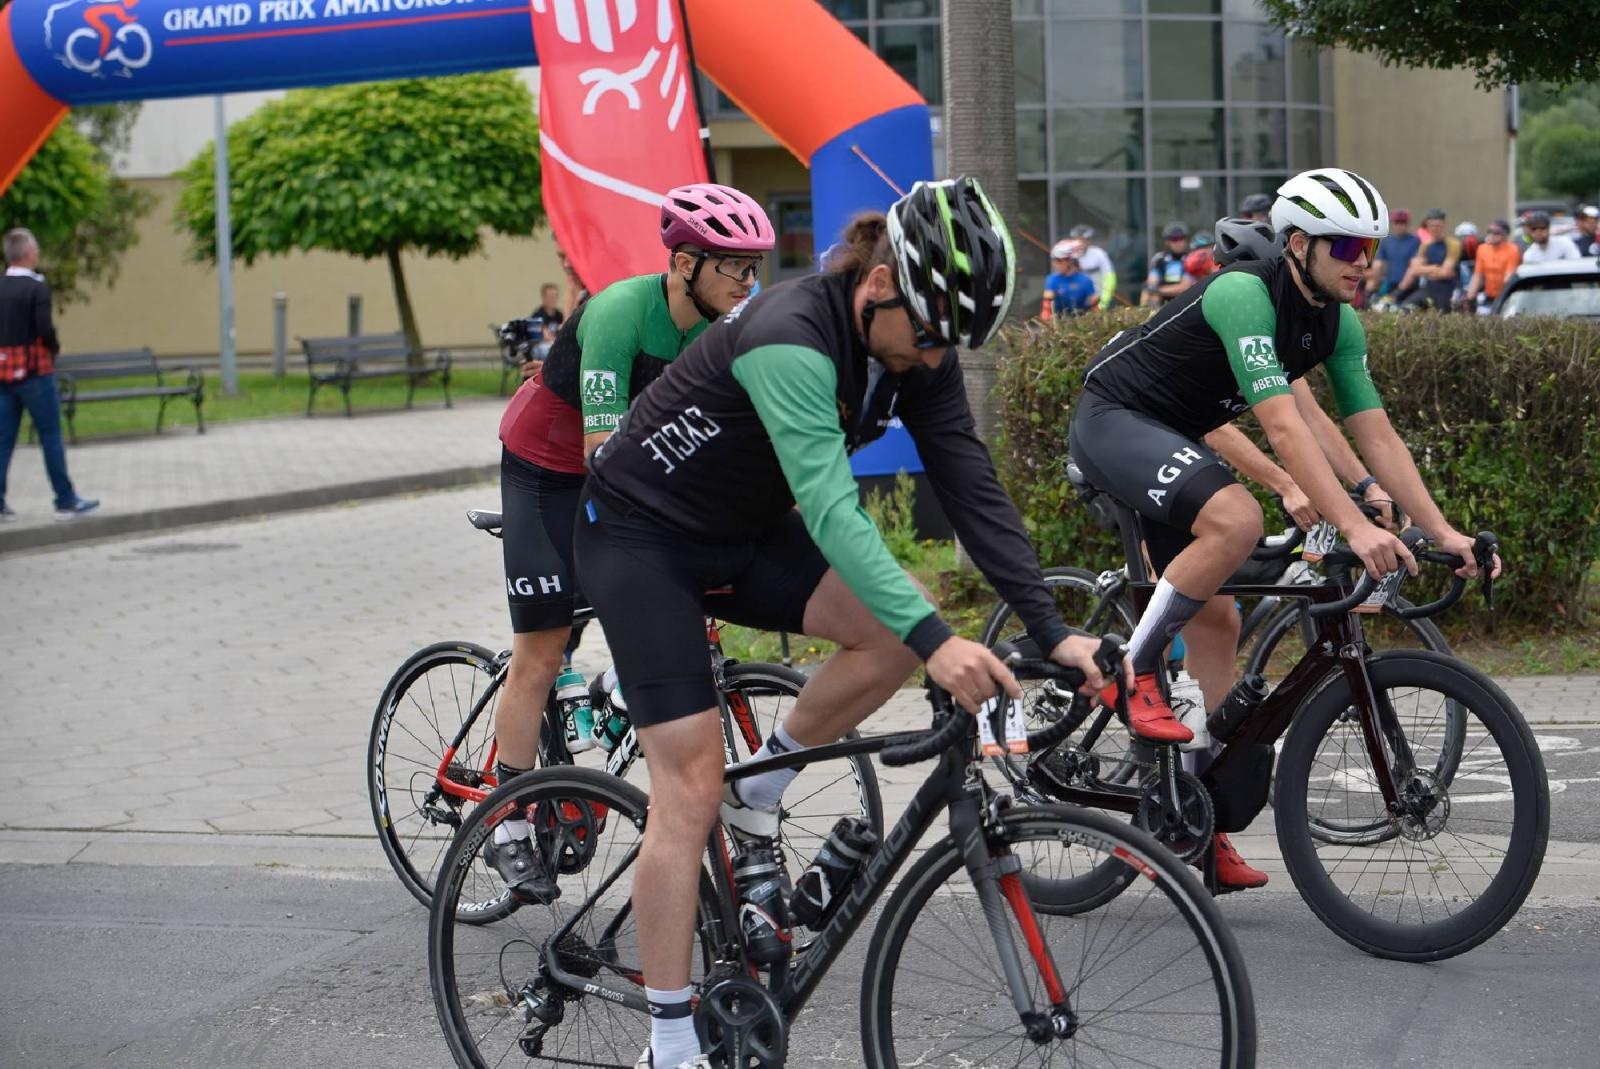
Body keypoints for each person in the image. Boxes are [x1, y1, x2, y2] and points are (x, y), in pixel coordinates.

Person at [575, 177, 1117, 1069]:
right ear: (878, 286)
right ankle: (670, 1041)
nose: (938, 354)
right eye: (932, 331)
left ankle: (761, 787)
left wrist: (1052, 628)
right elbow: (832, 511)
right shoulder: (791, 336)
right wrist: (944, 647)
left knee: (891, 633)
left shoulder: (914, 350)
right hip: (639, 540)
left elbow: (972, 490)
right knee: (686, 790)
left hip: (734, 533)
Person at [1070, 171, 1497, 888]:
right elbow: (1279, 428)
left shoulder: (1338, 319)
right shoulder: (1244, 292)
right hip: (1117, 420)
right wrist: (1355, 526)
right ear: (1297, 244)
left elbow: (1374, 435)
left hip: (1177, 435)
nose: (1364, 261)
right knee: (1238, 516)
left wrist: (1443, 529)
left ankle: (1188, 822)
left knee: (1217, 625)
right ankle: (1131, 667)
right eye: (1346, 247)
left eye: (1371, 247)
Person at [486, 183, 774, 904]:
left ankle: (617, 681)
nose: (748, 281)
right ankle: (507, 823)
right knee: (545, 649)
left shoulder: (719, 327)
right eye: (734, 266)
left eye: (753, 267)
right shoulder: (618, 311)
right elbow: (603, 450)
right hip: (546, 471)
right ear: (684, 262)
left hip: (618, 471)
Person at [0, 228, 97, 522]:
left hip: (3, 373)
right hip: (34, 372)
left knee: (3, 439)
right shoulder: (37, 288)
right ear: (29, 254)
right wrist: (55, 347)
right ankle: (65, 500)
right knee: (51, 436)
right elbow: (44, 326)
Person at [1394, 208, 1459, 311]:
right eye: (1432, 226)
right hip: (1428, 288)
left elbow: (1445, 272)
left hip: (1446, 290)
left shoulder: (1453, 244)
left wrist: (1424, 270)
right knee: (1404, 309)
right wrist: (1434, 268)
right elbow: (1414, 269)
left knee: (1440, 317)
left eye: (1438, 226)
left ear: (1444, 225)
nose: (1434, 229)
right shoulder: (1425, 245)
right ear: (1427, 226)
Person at [1463, 219, 1521, 310]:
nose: (1492, 235)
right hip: (1488, 296)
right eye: (1489, 232)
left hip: (1506, 296)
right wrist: (1469, 297)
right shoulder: (1482, 249)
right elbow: (1478, 275)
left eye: (1496, 233)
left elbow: (1509, 277)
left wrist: (1501, 301)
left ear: (1505, 235)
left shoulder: (1512, 250)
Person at [1364, 208, 1417, 302]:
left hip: (1408, 285)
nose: (1400, 225)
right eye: (1397, 222)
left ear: (1407, 224)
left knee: (1412, 269)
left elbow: (1414, 266)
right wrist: (1375, 283)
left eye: (1403, 222)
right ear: (1393, 224)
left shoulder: (1415, 241)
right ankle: (1369, 296)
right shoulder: (1387, 241)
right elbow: (1378, 263)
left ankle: (1395, 295)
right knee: (1375, 268)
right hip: (1389, 282)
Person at [1066, 224, 1118, 309]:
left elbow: (1109, 278)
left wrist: (1104, 301)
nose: (1079, 243)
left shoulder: (1099, 254)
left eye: (1082, 240)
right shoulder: (1068, 256)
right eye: (1076, 240)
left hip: (1098, 300)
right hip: (1076, 302)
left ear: (1088, 241)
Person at [1143, 223, 1192, 308]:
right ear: (1167, 242)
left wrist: (1158, 290)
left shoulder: (1191, 258)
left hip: (1184, 300)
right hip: (1163, 299)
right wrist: (1153, 290)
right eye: (1174, 239)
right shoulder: (1160, 258)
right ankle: (1144, 316)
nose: (1178, 242)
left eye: (1181, 238)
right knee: (1147, 292)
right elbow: (1152, 282)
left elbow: (1185, 287)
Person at [1041, 244, 1096, 317]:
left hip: (1082, 322)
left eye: (1059, 261)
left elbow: (1094, 307)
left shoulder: (1085, 281)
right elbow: (1046, 308)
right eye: (1055, 261)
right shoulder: (1052, 280)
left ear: (1070, 261)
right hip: (1059, 323)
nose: (1056, 264)